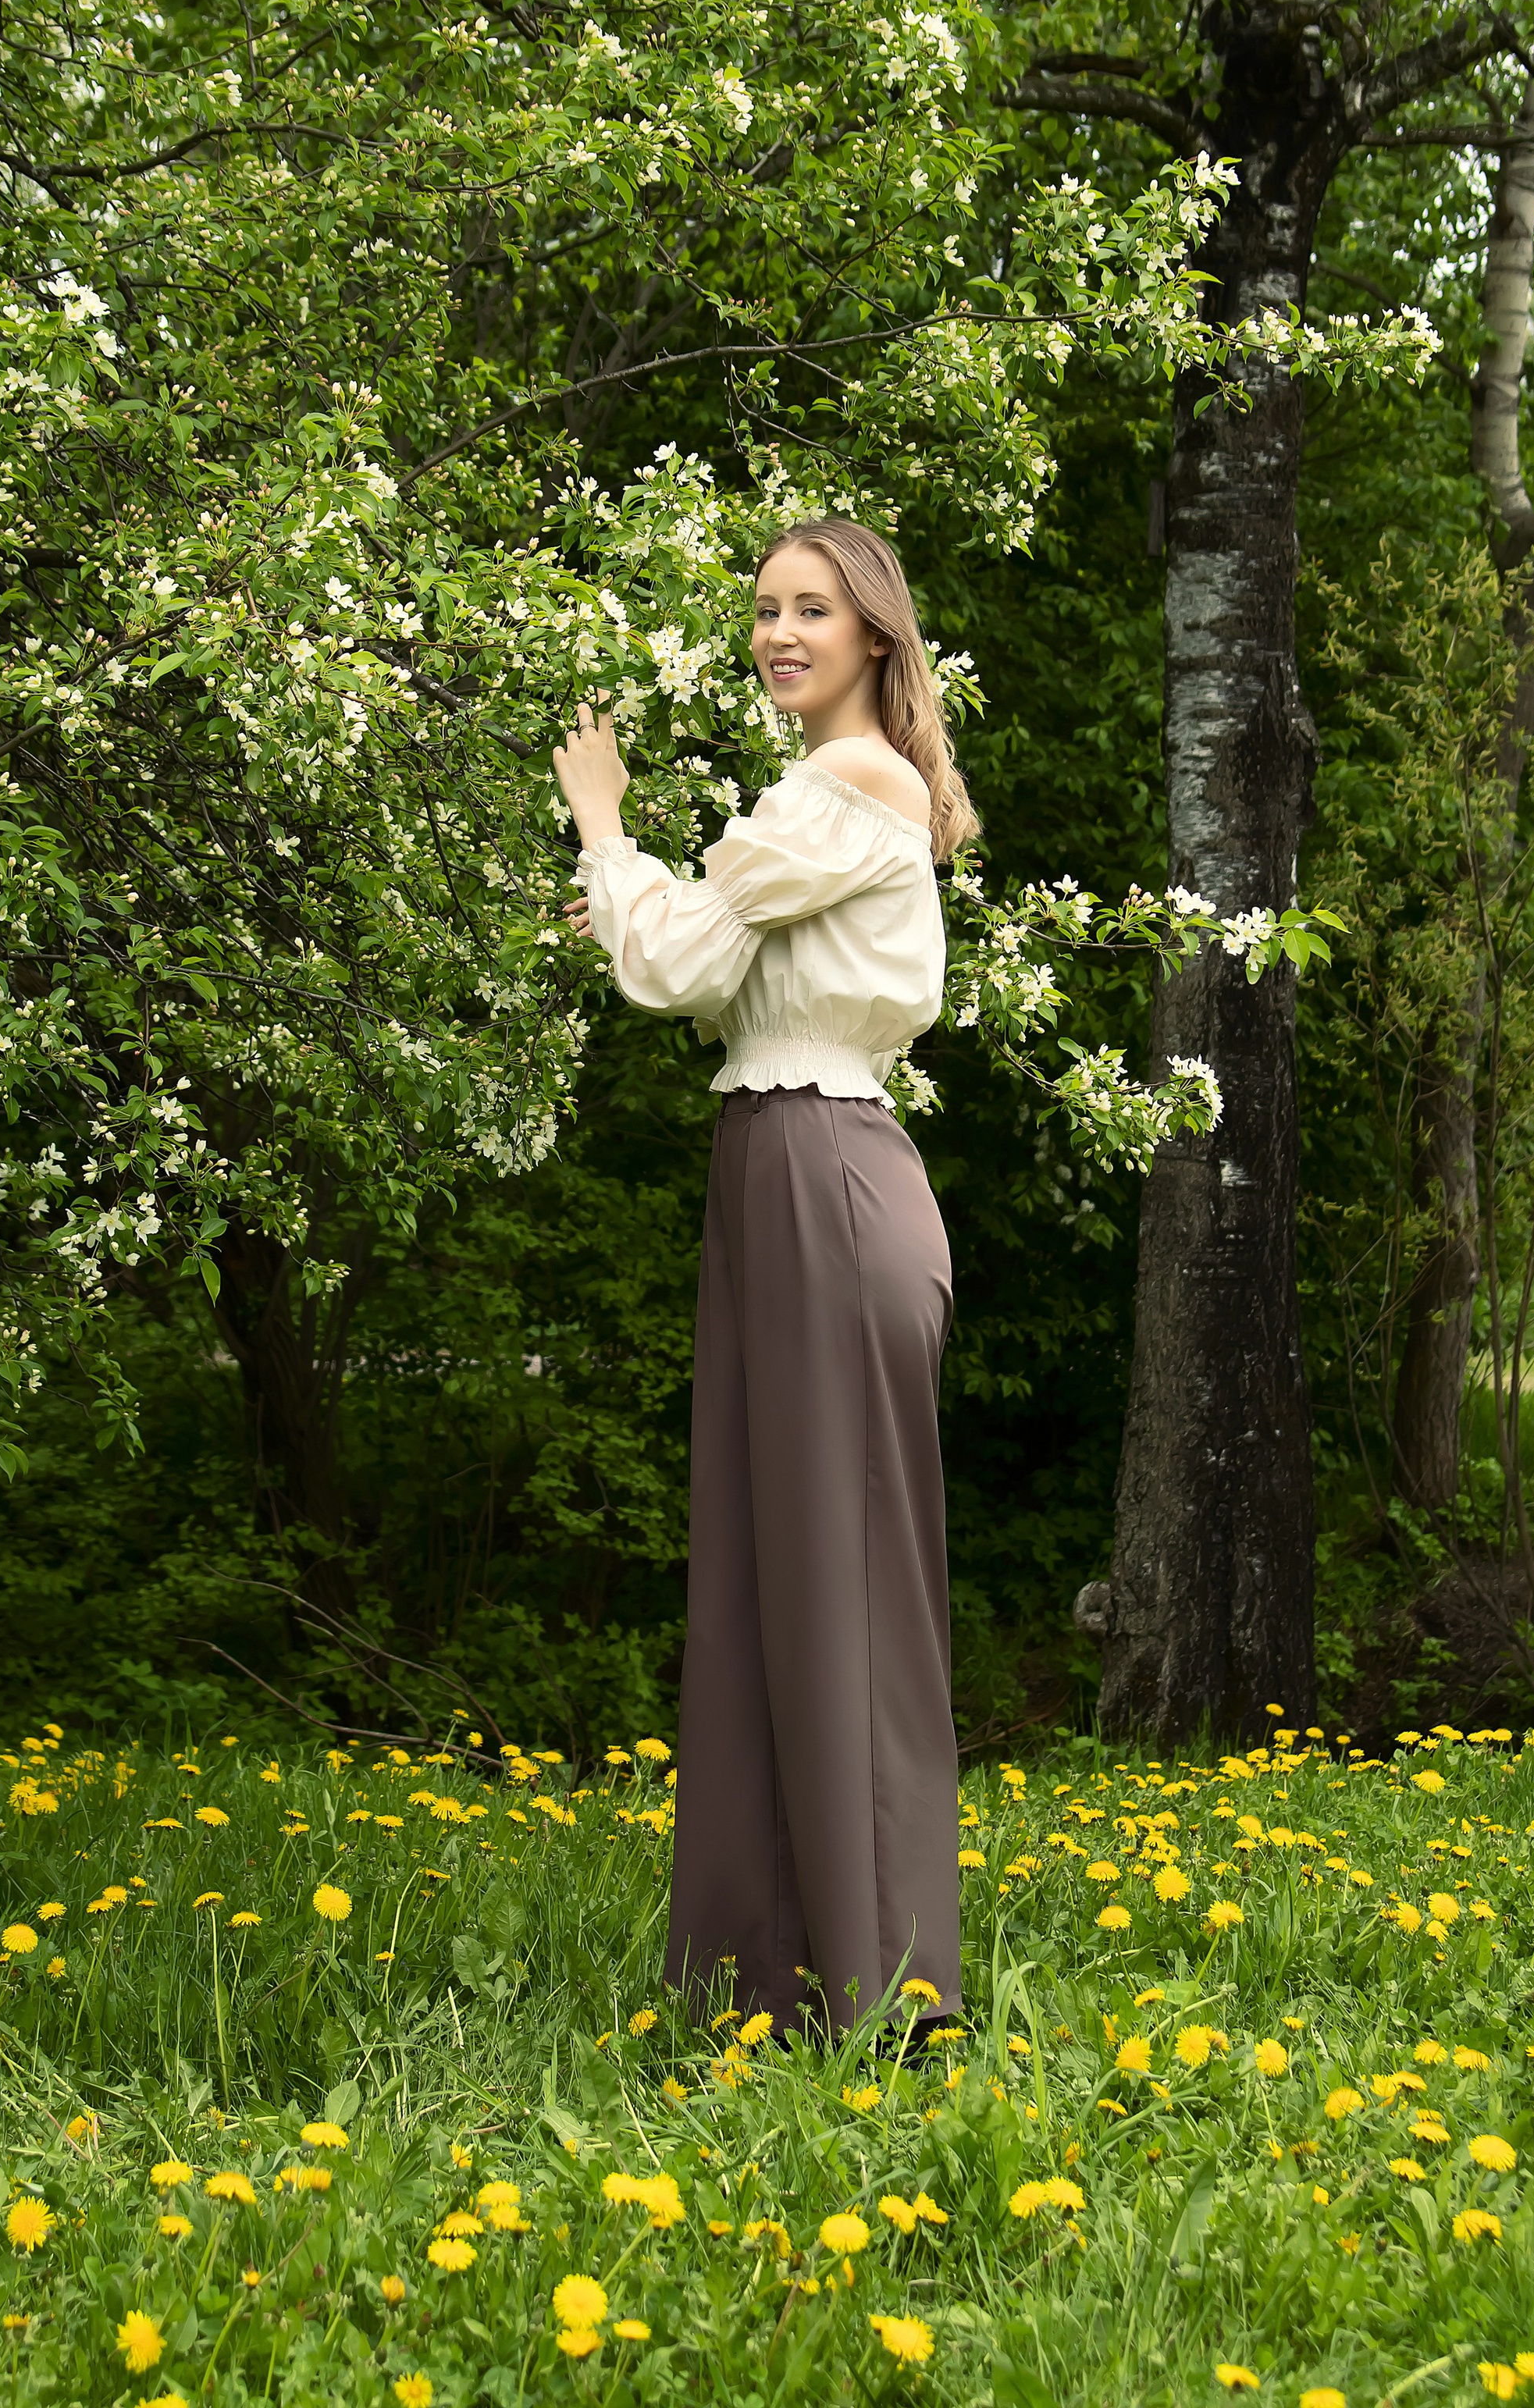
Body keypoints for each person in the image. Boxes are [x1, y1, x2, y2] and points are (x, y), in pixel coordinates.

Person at [554, 518, 973, 2040]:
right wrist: (648, 896)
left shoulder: (846, 784)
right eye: (763, 609)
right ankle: (786, 1975)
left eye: (813, 607)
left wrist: (603, 825)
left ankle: (884, 1989)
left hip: (818, 1180)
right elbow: (703, 961)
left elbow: (665, 962)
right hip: (786, 1175)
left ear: (873, 631)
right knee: (775, 1585)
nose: (779, 631)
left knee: (831, 1590)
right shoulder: (828, 801)